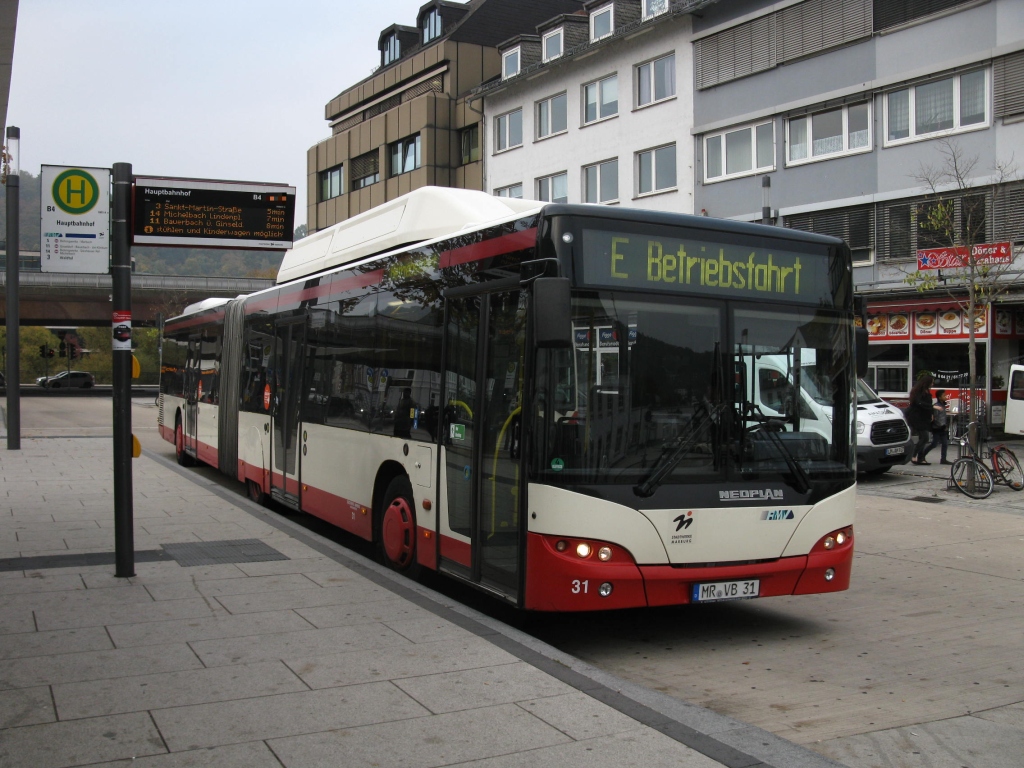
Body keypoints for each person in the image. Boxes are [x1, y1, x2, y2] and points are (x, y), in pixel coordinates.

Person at [907, 374, 935, 465]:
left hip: (924, 417)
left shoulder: (927, 392)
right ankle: (914, 455)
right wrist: (932, 407)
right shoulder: (919, 392)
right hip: (917, 417)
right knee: (924, 437)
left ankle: (921, 458)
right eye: (932, 382)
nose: (933, 384)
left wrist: (931, 413)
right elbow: (919, 403)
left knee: (923, 437)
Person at [923, 389, 951, 464]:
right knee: (934, 444)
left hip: (943, 428)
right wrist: (940, 425)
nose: (946, 397)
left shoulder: (943, 405)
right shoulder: (937, 406)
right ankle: (922, 455)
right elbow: (935, 417)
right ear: (939, 397)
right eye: (944, 395)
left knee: (945, 443)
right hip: (937, 428)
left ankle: (943, 459)